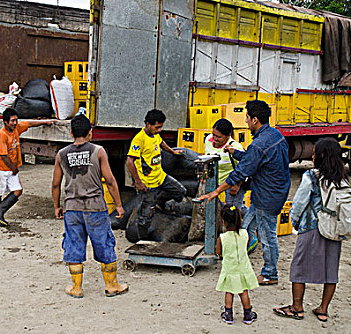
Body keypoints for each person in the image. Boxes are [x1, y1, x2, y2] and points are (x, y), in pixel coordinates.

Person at [200, 100, 290, 285]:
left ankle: (270, 274)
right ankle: (237, 262)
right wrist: (237, 153)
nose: (246, 121)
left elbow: (240, 172)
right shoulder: (275, 135)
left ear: (255, 119)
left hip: (267, 198)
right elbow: (256, 158)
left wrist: (216, 191)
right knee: (245, 228)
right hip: (270, 194)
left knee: (267, 236)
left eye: (247, 117)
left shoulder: (259, 144)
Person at [52, 114, 128, 298]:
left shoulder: (61, 154)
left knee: (74, 246)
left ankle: (76, 288)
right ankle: (112, 285)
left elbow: (55, 184)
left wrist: (56, 207)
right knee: (104, 244)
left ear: (71, 133)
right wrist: (118, 204)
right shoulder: (98, 151)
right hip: (96, 208)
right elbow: (110, 181)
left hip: (72, 208)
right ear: (90, 133)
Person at [273, 138, 346, 322]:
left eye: (314, 152)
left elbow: (299, 203)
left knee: (299, 267)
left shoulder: (311, 177)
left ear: (319, 156)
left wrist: (295, 222)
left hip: (312, 228)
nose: (312, 155)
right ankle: (322, 309)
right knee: (331, 270)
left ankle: (297, 307)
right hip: (335, 230)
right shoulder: (343, 178)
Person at [126, 109, 186, 238]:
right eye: (157, 127)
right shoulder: (139, 140)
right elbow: (130, 162)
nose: (159, 130)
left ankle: (160, 203)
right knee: (145, 217)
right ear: (148, 124)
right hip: (147, 184)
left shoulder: (155, 134)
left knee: (180, 191)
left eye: (161, 127)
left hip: (161, 177)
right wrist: (138, 183)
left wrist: (172, 152)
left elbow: (161, 143)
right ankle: (142, 241)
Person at [0, 108, 54, 226]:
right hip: (0, 168)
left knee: (18, 191)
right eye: (12, 121)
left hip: (11, 168)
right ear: (5, 122)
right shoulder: (2, 135)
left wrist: (45, 122)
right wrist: (14, 168)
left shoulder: (16, 129)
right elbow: (3, 155)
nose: (15, 123)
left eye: (16, 120)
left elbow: (29, 123)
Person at [216, 205, 259, 324]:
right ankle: (248, 314)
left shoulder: (222, 238)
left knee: (229, 291)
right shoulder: (245, 234)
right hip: (243, 268)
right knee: (243, 291)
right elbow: (245, 248)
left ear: (223, 222)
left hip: (230, 268)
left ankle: (228, 314)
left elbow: (218, 252)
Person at [204, 119, 247, 214]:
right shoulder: (208, 140)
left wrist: (236, 185)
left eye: (218, 137)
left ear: (228, 136)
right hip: (214, 181)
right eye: (213, 134)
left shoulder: (235, 147)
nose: (214, 138)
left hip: (231, 183)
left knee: (232, 212)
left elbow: (245, 168)